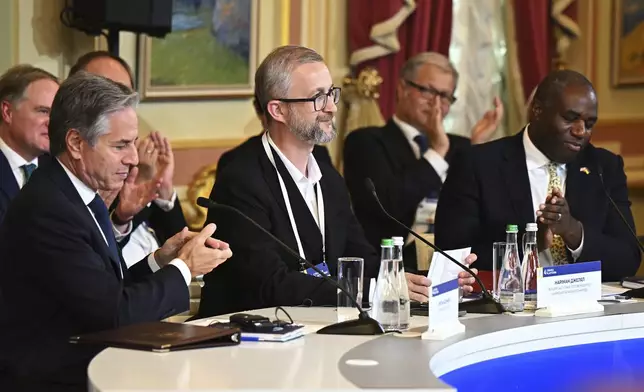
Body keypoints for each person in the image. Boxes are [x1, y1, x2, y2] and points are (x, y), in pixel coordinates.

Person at [197, 45, 478, 318]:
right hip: (242, 342)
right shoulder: (241, 181)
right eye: (318, 97)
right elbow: (270, 284)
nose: (331, 107)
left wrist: (428, 281)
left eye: (331, 94)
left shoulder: (327, 176)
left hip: (314, 328)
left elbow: (360, 257)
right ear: (277, 110)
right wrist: (378, 288)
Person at [0, 72, 232, 391]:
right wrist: (186, 267)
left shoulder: (80, 193)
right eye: (120, 145)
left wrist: (161, 260)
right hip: (54, 379)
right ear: (76, 144)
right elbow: (115, 314)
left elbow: (105, 292)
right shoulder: (49, 209)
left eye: (133, 144)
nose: (133, 158)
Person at [434, 69, 640, 281]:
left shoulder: (603, 167)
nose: (580, 131)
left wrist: (574, 232)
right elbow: (452, 258)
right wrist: (532, 244)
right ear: (538, 110)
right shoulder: (478, 165)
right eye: (570, 119)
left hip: (587, 306)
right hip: (507, 308)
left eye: (589, 124)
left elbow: (628, 259)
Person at [343, 52, 503, 269]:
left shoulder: (461, 147)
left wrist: (477, 149)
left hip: (457, 266)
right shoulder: (366, 141)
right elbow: (388, 204)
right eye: (427, 91)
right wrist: (436, 151)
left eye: (445, 96)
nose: (436, 104)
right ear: (402, 89)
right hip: (393, 266)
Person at [69, 51, 187, 267]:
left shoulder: (139, 156)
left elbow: (180, 248)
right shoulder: (67, 170)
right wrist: (140, 179)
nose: (131, 157)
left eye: (123, 93)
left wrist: (162, 189)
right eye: (106, 92)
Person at [0, 65, 59, 223]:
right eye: (43, 111)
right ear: (7, 112)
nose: (52, 123)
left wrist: (118, 219)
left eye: (56, 115)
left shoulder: (61, 171)